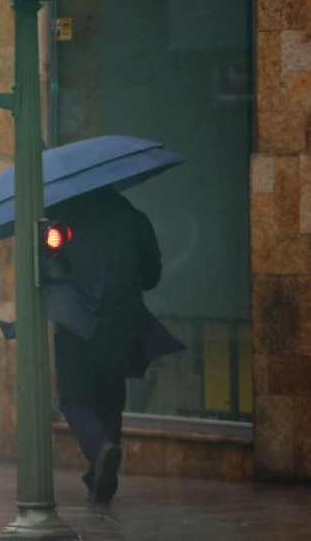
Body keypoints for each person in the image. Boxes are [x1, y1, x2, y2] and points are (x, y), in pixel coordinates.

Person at [43, 187, 184, 503]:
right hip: (121, 321)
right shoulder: (134, 219)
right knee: (109, 398)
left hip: (77, 324)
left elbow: (46, 270)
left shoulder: (62, 221)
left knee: (73, 397)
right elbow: (151, 275)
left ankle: (100, 449)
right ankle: (100, 476)